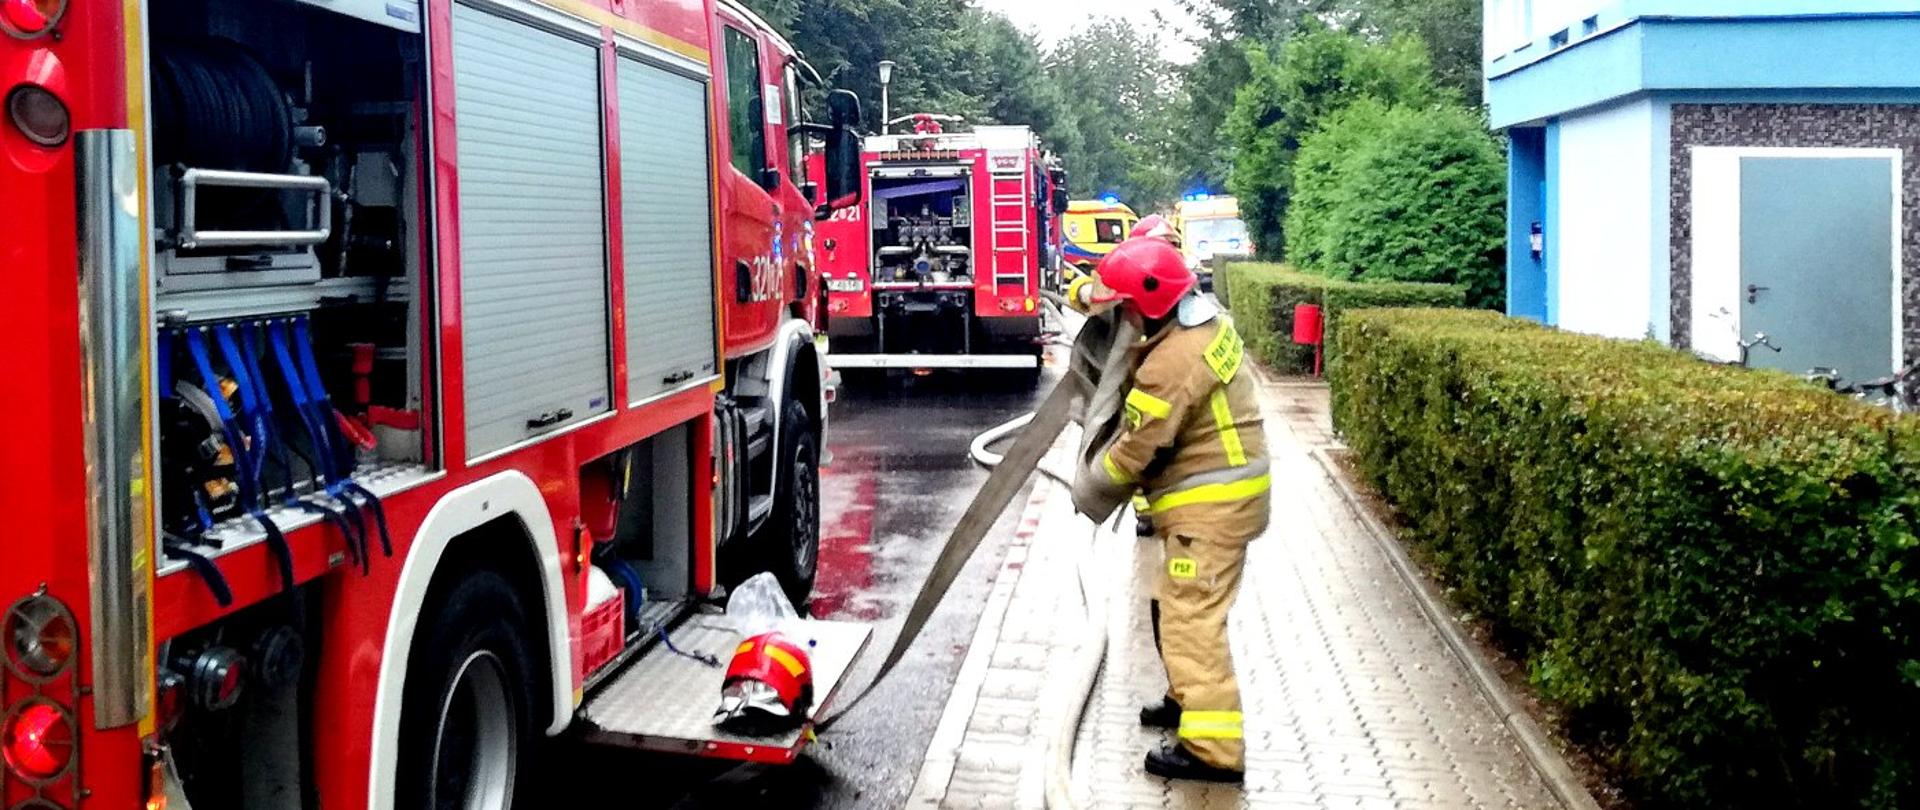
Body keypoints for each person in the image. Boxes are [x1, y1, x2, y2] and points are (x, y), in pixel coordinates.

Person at [1067, 236, 1269, 782]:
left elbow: (1139, 447)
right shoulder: (1201, 324)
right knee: (1175, 609)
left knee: (1190, 622)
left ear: (1151, 305)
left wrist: (1090, 486)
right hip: (1222, 501)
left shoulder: (1172, 363)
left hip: (1211, 510)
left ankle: (1213, 751)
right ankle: (1188, 703)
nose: (1123, 319)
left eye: (1127, 309)